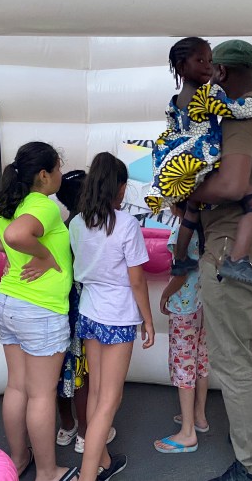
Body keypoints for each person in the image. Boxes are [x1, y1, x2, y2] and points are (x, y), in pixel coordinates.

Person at [188, 40, 252, 481]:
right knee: (251, 351)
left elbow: (230, 185)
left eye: (212, 70)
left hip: (231, 252)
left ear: (223, 73)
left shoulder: (240, 114)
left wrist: (185, 191)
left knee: (232, 363)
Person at [0, 141, 77, 481]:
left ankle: (19, 458)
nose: (61, 175)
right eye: (59, 168)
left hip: (8, 305)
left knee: (17, 387)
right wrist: (44, 256)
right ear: (44, 175)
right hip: (40, 311)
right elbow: (17, 234)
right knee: (40, 394)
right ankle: (48, 472)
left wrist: (7, 249)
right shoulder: (43, 206)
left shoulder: (10, 204)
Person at [145, 37, 252, 288]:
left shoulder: (174, 102)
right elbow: (236, 109)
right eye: (200, 60)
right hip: (204, 160)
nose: (207, 66)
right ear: (182, 67)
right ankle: (237, 259)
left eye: (210, 60)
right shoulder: (207, 94)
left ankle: (180, 259)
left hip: (185, 166)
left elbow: (172, 132)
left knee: (192, 211)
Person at [70, 152, 155, 481]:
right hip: (118, 316)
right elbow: (137, 281)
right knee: (109, 399)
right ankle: (88, 475)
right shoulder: (127, 224)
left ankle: (104, 461)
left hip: (89, 312)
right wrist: (148, 320)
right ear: (117, 186)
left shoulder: (76, 223)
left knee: (96, 393)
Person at [53, 170, 117, 454]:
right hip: (82, 310)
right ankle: (85, 434)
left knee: (60, 370)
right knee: (82, 374)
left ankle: (67, 426)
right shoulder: (88, 228)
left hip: (58, 309)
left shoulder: (61, 229)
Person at [153, 202, 209, 455]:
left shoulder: (180, 233)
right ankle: (199, 417)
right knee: (200, 360)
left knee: (183, 365)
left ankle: (187, 433)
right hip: (201, 304)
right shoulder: (204, 229)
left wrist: (165, 295)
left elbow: (181, 274)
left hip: (183, 309)